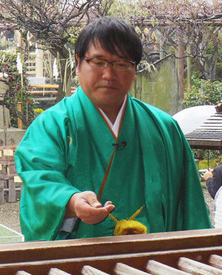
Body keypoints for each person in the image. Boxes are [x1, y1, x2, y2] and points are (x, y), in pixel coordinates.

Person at [15, 17, 211, 241]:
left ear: (135, 68)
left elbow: (191, 205)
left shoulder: (164, 127)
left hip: (154, 262)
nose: (109, 74)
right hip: (76, 266)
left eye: (121, 64)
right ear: (78, 63)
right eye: (98, 62)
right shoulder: (52, 125)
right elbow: (40, 181)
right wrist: (71, 202)